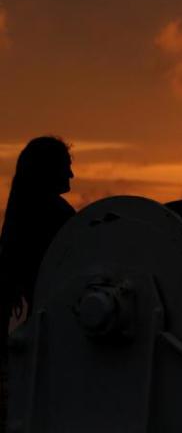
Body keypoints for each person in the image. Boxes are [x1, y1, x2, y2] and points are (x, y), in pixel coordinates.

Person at [0, 137, 76, 425]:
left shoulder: (23, 217)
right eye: (66, 167)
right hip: (64, 336)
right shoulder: (56, 214)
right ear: (49, 170)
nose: (71, 175)